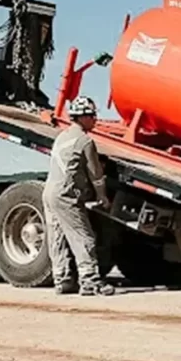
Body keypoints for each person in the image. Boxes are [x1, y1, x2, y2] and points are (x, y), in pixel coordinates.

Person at [43, 95, 115, 296]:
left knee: (57, 237)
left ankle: (63, 280)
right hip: (66, 194)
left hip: (50, 192)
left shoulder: (62, 137)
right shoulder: (85, 141)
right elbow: (96, 175)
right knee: (84, 236)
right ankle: (90, 281)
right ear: (81, 117)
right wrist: (103, 197)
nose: (95, 119)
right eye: (92, 115)